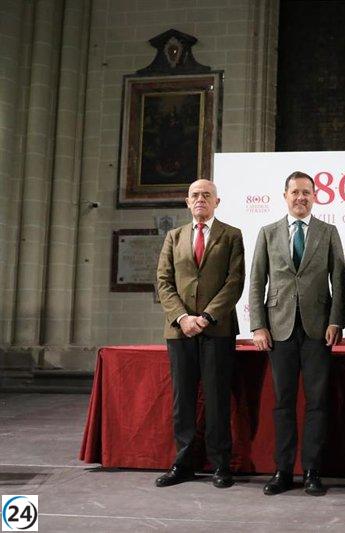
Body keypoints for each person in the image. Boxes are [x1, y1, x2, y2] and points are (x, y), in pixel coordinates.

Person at [249, 171, 345, 496]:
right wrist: (258, 325)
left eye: (307, 192)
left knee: (318, 403)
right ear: (285, 195)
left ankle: (312, 472)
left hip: (319, 330)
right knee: (283, 403)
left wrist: (337, 321)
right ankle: (282, 471)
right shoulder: (267, 232)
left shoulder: (328, 232)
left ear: (315, 195)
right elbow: (256, 281)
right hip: (278, 330)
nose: (301, 197)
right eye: (295, 192)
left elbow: (340, 281)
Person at [154, 178, 245, 489]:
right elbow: (163, 282)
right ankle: (184, 464)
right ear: (187, 201)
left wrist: (205, 317)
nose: (200, 200)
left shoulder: (232, 235)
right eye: (195, 195)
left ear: (217, 201)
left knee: (218, 399)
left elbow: (234, 282)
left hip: (217, 329)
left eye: (207, 195)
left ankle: (221, 465)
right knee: (184, 400)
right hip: (180, 331)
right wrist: (183, 317)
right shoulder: (174, 236)